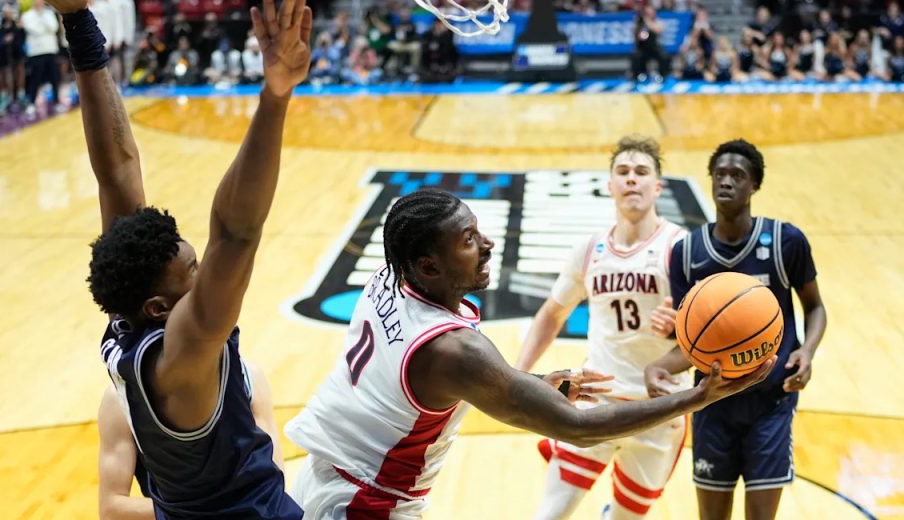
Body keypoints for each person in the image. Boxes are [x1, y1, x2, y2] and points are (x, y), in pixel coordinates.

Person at [285, 187, 775, 519]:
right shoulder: (453, 349)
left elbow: (459, 385)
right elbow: (575, 428)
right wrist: (701, 396)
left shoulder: (390, 277)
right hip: (368, 502)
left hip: (323, 472)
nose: (489, 244)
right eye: (469, 240)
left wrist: (532, 385)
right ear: (429, 265)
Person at [44, 0, 313, 515]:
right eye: (192, 273)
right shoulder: (182, 356)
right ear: (159, 308)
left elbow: (117, 170)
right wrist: (275, 97)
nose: (203, 272)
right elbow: (235, 234)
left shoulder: (127, 320)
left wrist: (78, 21)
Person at [645, 139, 827, 520]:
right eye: (719, 174)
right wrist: (658, 366)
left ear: (754, 185)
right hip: (711, 403)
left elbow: (815, 308)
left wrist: (806, 351)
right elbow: (692, 344)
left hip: (771, 402)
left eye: (737, 175)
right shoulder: (687, 253)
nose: (726, 181)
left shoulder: (784, 241)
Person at [515, 136, 690, 520]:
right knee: (550, 514)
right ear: (609, 186)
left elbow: (710, 334)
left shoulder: (682, 248)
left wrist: (682, 330)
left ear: (657, 186)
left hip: (658, 410)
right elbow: (552, 313)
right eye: (623, 172)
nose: (632, 179)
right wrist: (518, 376)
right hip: (596, 401)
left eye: (642, 172)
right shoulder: (590, 248)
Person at [98, 361, 286, 519]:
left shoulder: (248, 376)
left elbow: (275, 476)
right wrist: (201, 512)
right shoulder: (119, 400)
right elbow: (111, 508)